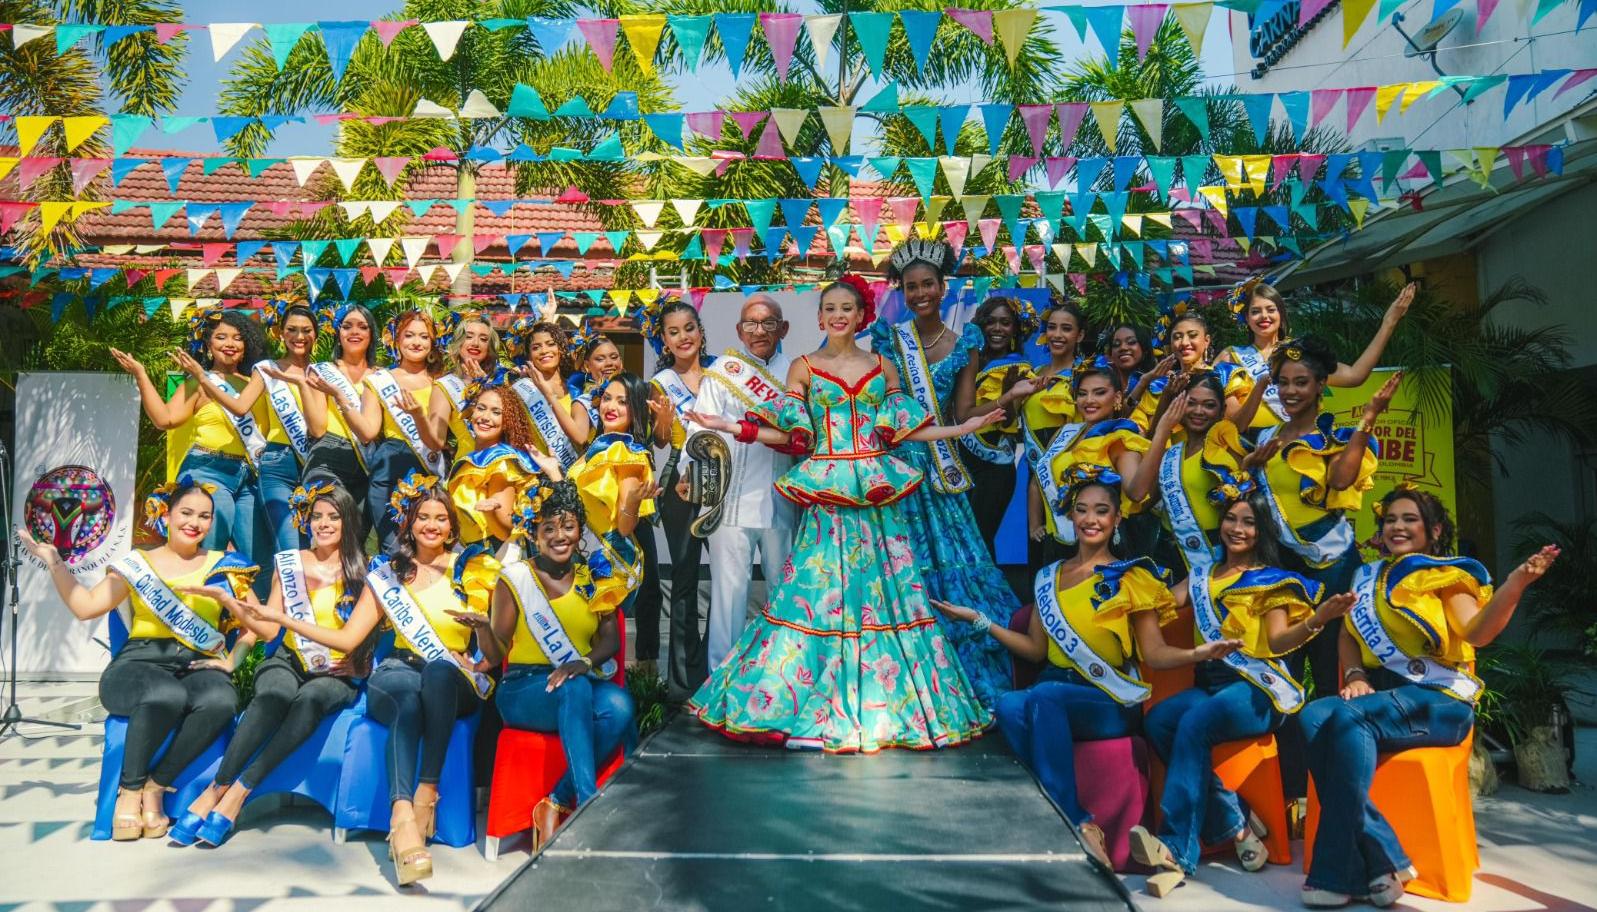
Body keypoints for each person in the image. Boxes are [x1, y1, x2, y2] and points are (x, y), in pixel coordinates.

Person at [686, 275, 1004, 751]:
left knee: (883, 601)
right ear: (819, 318)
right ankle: (805, 706)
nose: (838, 315)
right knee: (817, 598)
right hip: (828, 495)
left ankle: (877, 708)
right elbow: (796, 438)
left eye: (847, 308)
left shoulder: (884, 368)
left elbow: (906, 432)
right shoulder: (803, 367)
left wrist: (965, 428)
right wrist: (731, 426)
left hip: (876, 497)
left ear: (862, 316)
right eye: (829, 308)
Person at [932, 469, 1238, 868]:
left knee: (1042, 698)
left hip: (1108, 698)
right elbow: (1034, 649)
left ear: (1116, 520)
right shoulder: (1048, 578)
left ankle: (1065, 822)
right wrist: (978, 619)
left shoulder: (1132, 578)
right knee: (1008, 705)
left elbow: (1155, 653)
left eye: (1101, 511)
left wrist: (1197, 654)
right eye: (1081, 510)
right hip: (1054, 689)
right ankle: (1080, 821)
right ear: (1070, 518)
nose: (1090, 519)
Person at [1299, 489, 1558, 908]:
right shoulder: (1368, 577)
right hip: (1384, 698)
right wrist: (1355, 672)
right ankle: (1386, 859)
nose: (1397, 527)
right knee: (1314, 717)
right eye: (1390, 520)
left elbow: (1477, 633)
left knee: (1348, 720)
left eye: (1410, 520)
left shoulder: (1446, 576)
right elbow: (1348, 633)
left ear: (1434, 530)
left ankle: (1337, 874)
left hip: (1439, 702)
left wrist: (1516, 583)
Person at [1129, 489, 1354, 897]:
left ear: (1261, 530)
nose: (1237, 528)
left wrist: (1317, 621)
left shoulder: (1271, 580)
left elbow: (1281, 640)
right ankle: (1237, 823)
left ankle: (1175, 852)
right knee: (1161, 720)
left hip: (1256, 690)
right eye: (1232, 518)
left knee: (1194, 723)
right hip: (1210, 684)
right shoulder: (1201, 577)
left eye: (1249, 521)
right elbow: (1160, 603)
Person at [17, 480, 257, 841]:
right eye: (187, 513)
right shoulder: (138, 563)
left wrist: (233, 661)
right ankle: (128, 791)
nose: (196, 522)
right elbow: (85, 607)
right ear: (167, 514)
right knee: (165, 695)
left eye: (205, 516)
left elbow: (255, 625)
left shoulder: (225, 567)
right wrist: (55, 562)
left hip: (197, 662)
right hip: (138, 665)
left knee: (221, 701)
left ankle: (155, 785)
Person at [166, 481, 376, 846]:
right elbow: (266, 629)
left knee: (309, 701)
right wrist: (229, 600)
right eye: (316, 517)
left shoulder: (366, 570)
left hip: (336, 672)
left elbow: (357, 638)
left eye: (333, 516)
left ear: (348, 522)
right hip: (288, 658)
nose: (323, 524)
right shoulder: (290, 564)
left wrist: (363, 665)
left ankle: (238, 793)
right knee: (273, 695)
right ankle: (216, 790)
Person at [868, 239, 1017, 710]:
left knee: (957, 561)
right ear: (903, 291)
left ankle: (960, 673)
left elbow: (966, 409)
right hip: (899, 468)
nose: (919, 294)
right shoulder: (889, 339)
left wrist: (1012, 399)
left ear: (943, 286)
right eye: (911, 287)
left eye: (927, 284)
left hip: (943, 471)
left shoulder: (966, 342)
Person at [472, 480, 636, 851]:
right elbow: (497, 655)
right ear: (534, 533)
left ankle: (555, 802)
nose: (559, 536)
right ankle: (588, 806)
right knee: (575, 688)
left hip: (576, 679)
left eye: (568, 526)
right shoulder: (514, 578)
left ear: (580, 531)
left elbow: (610, 640)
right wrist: (484, 630)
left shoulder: (594, 576)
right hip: (523, 690)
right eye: (548, 528)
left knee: (620, 706)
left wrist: (582, 662)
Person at [1230, 337, 1397, 699]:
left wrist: (1368, 418)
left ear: (1321, 385)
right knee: (1284, 674)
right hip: (1283, 565)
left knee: (1332, 672)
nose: (1290, 391)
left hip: (1331, 566)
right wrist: (1248, 467)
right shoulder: (1265, 436)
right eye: (1283, 383)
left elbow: (1340, 480)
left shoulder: (1333, 438)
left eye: (1301, 382)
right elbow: (1245, 503)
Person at [357, 471, 498, 885]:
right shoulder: (390, 570)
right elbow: (351, 635)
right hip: (399, 668)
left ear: (453, 526)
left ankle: (425, 793)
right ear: (410, 523)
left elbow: (492, 650)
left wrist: (482, 646)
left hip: (453, 677)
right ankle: (405, 816)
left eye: (441, 518)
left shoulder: (472, 568)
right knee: (406, 696)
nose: (432, 525)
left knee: (436, 672)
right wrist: (278, 620)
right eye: (424, 517)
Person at [684, 294, 796, 670]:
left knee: (785, 594)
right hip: (729, 501)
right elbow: (699, 426)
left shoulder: (797, 373)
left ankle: (784, 674)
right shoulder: (723, 373)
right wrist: (688, 470)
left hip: (783, 497)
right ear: (738, 330)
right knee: (728, 598)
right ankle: (722, 678)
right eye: (751, 323)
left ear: (784, 328)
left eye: (768, 323)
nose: (759, 331)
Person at [112, 308, 270, 564]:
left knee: (258, 555)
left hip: (249, 475)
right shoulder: (196, 383)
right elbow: (165, 419)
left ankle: (252, 604)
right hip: (208, 470)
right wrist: (141, 375)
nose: (229, 344)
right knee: (211, 546)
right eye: (221, 337)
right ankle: (202, 602)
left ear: (247, 344)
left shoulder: (257, 381)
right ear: (208, 343)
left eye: (237, 337)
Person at [174, 301, 318, 557]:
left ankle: (261, 598)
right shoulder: (264, 372)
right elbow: (239, 409)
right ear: (280, 333)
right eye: (291, 329)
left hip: (277, 469)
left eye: (306, 330)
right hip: (253, 467)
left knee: (263, 556)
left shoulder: (321, 373)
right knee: (284, 546)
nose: (299, 336)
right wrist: (142, 375)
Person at [1217, 280, 1414, 429]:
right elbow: (1231, 424)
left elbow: (1355, 376)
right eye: (1255, 311)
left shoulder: (1302, 352)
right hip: (1251, 453)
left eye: (1271, 309)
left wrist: (1389, 322)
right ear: (1246, 318)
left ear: (1281, 314)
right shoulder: (1231, 356)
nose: (1264, 317)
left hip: (1302, 447)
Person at [644, 300, 715, 699]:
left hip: (724, 481)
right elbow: (658, 439)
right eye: (674, 332)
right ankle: (682, 684)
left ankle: (716, 663)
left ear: (700, 330)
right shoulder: (662, 382)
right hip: (681, 485)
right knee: (685, 580)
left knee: (727, 579)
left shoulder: (724, 370)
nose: (683, 337)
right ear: (665, 341)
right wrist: (667, 423)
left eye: (689, 328)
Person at [1124, 372, 1248, 573]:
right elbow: (1139, 494)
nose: (1199, 411)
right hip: (1166, 551)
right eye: (1191, 403)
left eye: (1209, 405)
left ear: (1221, 410)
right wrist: (1164, 428)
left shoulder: (1231, 451)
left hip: (1211, 552)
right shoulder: (1171, 454)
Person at [567, 373, 661, 632]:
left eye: (623, 402)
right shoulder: (596, 448)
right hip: (584, 555)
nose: (611, 407)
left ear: (637, 410)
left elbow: (624, 527)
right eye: (607, 398)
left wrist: (631, 502)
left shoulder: (626, 453)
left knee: (601, 648)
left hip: (610, 562)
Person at [278, 303, 383, 534]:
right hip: (327, 458)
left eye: (362, 327)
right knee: (328, 531)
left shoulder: (383, 377)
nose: (354, 332)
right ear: (338, 332)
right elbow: (316, 429)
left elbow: (373, 432)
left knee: (355, 543)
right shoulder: (320, 370)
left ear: (371, 334)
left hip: (368, 464)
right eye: (347, 326)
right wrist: (304, 387)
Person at [952, 296, 1039, 558]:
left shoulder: (1020, 369)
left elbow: (1007, 421)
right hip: (961, 459)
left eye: (1005, 323)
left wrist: (1010, 396)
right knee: (960, 537)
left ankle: (987, 597)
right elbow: (960, 413)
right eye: (990, 322)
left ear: (1015, 329)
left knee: (980, 539)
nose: (997, 329)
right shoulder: (969, 359)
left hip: (994, 469)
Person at [366, 309, 449, 554]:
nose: (416, 342)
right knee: (393, 548)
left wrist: (418, 416)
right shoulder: (380, 380)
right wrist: (341, 399)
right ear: (396, 340)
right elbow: (368, 431)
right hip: (389, 466)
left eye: (424, 337)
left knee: (427, 548)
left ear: (433, 343)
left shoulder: (442, 382)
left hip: (428, 467)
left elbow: (437, 441)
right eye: (409, 335)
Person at [1043, 363, 1149, 552]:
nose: (1089, 400)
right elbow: (1039, 477)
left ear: (1117, 397)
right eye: (1082, 393)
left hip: (1099, 544)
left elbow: (1136, 492)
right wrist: (1036, 524)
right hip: (1057, 540)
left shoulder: (1120, 439)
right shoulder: (1066, 432)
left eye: (1099, 393)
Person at [446, 381, 556, 556]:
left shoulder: (500, 461)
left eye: (496, 412)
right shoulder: (476, 456)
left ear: (507, 422)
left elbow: (507, 529)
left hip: (494, 555)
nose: (485, 417)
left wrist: (491, 512)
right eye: (481, 408)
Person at [1021, 301, 1087, 573]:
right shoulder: (1033, 374)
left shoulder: (1084, 378)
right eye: (1052, 328)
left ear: (1080, 335)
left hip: (1069, 470)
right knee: (1041, 557)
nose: (1058, 335)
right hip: (1036, 471)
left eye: (1067, 329)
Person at [415, 310, 502, 465]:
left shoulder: (503, 380)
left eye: (483, 339)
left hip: (504, 465)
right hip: (469, 467)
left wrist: (485, 385)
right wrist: (418, 416)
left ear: (489, 348)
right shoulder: (445, 386)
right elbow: (436, 442)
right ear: (458, 342)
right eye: (469, 336)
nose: (475, 343)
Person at [508, 317, 584, 471]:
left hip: (575, 471)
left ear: (561, 349)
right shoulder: (521, 389)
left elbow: (583, 439)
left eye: (551, 344)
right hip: (535, 472)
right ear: (529, 356)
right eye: (536, 347)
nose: (544, 351)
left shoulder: (579, 386)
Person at [566, 326, 624, 444]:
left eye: (614, 357)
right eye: (600, 359)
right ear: (587, 366)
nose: (609, 363)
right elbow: (580, 439)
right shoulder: (583, 403)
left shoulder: (635, 390)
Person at [1098, 323, 1157, 431]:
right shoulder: (1101, 386)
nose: (1123, 348)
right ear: (1110, 355)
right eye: (1116, 344)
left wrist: (1144, 382)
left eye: (1131, 342)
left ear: (1144, 350)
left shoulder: (1156, 387)